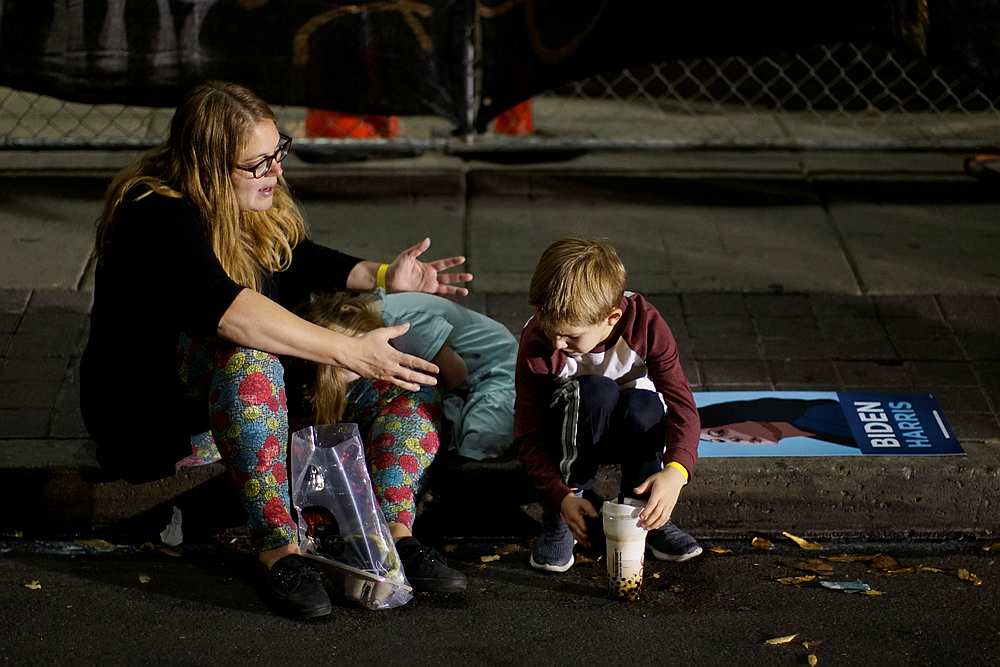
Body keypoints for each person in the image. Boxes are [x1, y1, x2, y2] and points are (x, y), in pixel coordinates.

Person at [79, 80, 472, 620]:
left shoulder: (248, 194)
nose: (276, 172)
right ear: (209, 166)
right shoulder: (154, 216)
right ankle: (279, 550)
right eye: (258, 163)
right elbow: (232, 312)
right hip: (160, 419)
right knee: (253, 361)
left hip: (256, 403)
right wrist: (346, 351)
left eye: (278, 152)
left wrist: (381, 275)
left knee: (402, 390)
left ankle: (390, 534)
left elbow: (295, 256)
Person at [297, 289, 516, 590]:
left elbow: (452, 372)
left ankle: (424, 519)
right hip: (457, 380)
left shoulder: (405, 326)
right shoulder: (366, 322)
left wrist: (438, 399)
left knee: (476, 443)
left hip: (491, 373)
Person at [515, 238, 702, 573]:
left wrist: (676, 472)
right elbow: (528, 433)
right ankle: (565, 516)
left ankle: (644, 512)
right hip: (566, 440)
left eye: (570, 336)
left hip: (625, 427)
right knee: (596, 391)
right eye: (550, 330)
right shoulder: (538, 341)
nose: (558, 343)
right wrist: (560, 497)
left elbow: (683, 408)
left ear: (611, 317)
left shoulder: (647, 326)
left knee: (645, 403)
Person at [699, 397, 856, 447]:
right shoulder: (813, 430)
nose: (732, 440)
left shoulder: (823, 414)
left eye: (721, 432)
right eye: (719, 441)